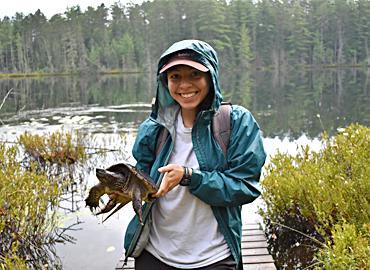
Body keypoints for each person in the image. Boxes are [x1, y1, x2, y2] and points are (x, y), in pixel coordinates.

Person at [123, 39, 266, 270]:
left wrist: (190, 176)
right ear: (165, 82)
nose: (184, 85)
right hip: (154, 254)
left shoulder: (236, 122)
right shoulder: (153, 128)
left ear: (211, 77)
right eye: (175, 76)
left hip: (214, 257)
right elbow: (141, 180)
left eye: (194, 75)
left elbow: (245, 186)